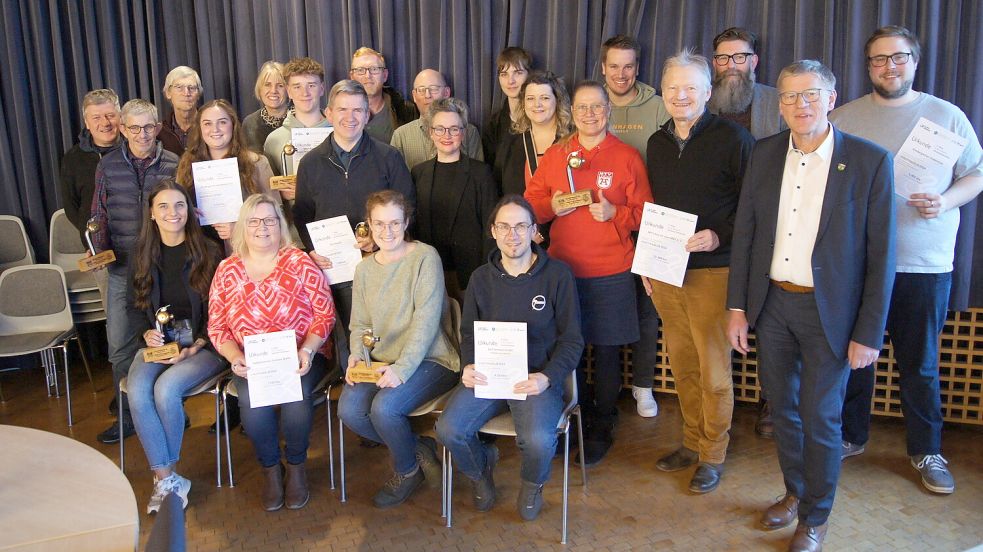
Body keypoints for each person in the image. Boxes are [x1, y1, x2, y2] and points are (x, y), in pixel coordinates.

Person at [727, 60, 895, 552]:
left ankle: (816, 516)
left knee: (821, 416)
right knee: (783, 410)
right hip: (774, 304)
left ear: (831, 98)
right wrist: (738, 308)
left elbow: (882, 258)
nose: (800, 105)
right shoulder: (763, 154)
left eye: (810, 95)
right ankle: (795, 493)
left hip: (832, 315)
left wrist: (868, 332)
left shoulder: (868, 162)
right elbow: (746, 234)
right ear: (778, 104)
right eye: (790, 96)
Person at [831, 25, 983, 495]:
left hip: (924, 263)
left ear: (914, 61)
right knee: (856, 359)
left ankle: (926, 449)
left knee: (919, 363)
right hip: (859, 266)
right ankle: (852, 436)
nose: (888, 66)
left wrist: (947, 199)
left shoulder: (946, 116)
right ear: (868, 66)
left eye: (898, 57)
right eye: (878, 59)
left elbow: (976, 173)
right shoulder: (844, 117)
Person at [524, 81, 652, 466]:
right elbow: (530, 206)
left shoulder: (628, 157)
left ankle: (602, 424)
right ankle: (569, 421)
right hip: (563, 271)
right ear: (572, 112)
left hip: (612, 269)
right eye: (582, 107)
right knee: (570, 352)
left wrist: (617, 214)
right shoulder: (557, 155)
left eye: (597, 106)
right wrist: (553, 205)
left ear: (608, 110)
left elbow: (648, 213)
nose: (590, 114)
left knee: (609, 352)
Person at [644, 50, 754, 494]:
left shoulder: (734, 139)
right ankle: (691, 441)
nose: (681, 95)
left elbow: (753, 210)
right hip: (668, 272)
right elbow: (654, 210)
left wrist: (717, 236)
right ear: (663, 93)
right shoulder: (656, 143)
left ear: (708, 92)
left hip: (714, 271)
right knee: (683, 365)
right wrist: (647, 264)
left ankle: (713, 453)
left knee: (712, 370)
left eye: (690, 87)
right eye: (672, 87)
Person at [435, 195, 583, 521]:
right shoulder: (480, 279)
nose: (512, 235)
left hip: (535, 378)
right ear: (493, 231)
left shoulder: (557, 276)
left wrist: (547, 377)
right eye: (504, 226)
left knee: (539, 440)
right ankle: (479, 471)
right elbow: (470, 333)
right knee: (448, 429)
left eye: (520, 226)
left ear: (534, 231)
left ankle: (532, 484)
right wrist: (469, 365)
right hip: (490, 375)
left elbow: (572, 340)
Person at [208, 193, 335, 512]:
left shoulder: (299, 261)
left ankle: (295, 467)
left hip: (302, 356)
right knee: (251, 404)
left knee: (296, 396)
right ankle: (270, 470)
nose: (262, 227)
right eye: (253, 221)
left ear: (280, 226)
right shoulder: (227, 270)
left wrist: (308, 348)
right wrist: (234, 356)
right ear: (242, 228)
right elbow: (217, 326)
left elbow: (324, 313)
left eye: (269, 220)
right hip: (253, 363)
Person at [337, 190, 460, 508]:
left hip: (432, 359)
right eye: (379, 224)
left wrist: (402, 369)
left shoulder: (424, 257)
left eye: (394, 223)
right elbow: (360, 323)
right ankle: (418, 449)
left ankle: (406, 471)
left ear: (406, 222)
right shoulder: (364, 268)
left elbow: (426, 322)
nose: (387, 231)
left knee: (384, 409)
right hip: (379, 361)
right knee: (349, 410)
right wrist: (356, 356)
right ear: (368, 225)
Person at [293, 79, 414, 364]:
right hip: (334, 269)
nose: (350, 117)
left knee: (384, 338)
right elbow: (302, 213)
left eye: (358, 110)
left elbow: (407, 207)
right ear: (329, 113)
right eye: (343, 110)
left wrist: (380, 239)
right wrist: (312, 249)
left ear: (367, 115)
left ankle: (381, 387)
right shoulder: (310, 163)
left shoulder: (389, 157)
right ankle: (352, 387)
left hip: (383, 263)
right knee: (346, 338)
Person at [125, 179, 224, 514]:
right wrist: (145, 335)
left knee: (166, 390)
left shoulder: (208, 251)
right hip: (159, 344)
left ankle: (164, 480)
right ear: (151, 214)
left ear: (189, 211)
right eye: (163, 206)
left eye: (179, 205)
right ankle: (167, 477)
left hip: (204, 345)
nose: (172, 213)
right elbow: (132, 307)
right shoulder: (140, 254)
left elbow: (221, 309)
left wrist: (197, 343)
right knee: (138, 391)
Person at [90, 99, 180, 444]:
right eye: (134, 127)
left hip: (161, 267)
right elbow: (98, 212)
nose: (142, 134)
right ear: (123, 129)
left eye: (148, 127)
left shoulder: (173, 162)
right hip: (121, 268)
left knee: (171, 337)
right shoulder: (107, 165)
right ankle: (128, 415)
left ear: (158, 128)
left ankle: (174, 411)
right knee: (120, 347)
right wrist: (98, 246)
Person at [599, 34, 669, 417]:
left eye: (628, 66)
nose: (621, 74)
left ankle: (643, 386)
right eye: (614, 66)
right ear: (603, 68)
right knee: (608, 307)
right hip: (603, 225)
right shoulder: (593, 105)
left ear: (637, 68)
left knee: (647, 309)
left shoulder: (658, 107)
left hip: (647, 222)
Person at [411, 97, 498, 302]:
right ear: (431, 132)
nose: (446, 135)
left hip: (470, 274)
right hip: (429, 271)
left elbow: (490, 227)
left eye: (454, 129)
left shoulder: (481, 173)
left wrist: (487, 274)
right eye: (440, 129)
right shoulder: (418, 173)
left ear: (463, 132)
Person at [176, 99, 278, 251]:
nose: (215, 129)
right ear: (200, 128)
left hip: (245, 252)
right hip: (201, 253)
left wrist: (241, 229)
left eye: (222, 122)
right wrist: (189, 213)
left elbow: (276, 213)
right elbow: (176, 206)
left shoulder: (257, 163)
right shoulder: (187, 164)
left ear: (233, 125)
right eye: (207, 123)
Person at [59, 88, 122, 306]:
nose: (105, 123)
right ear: (87, 122)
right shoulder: (73, 159)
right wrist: (95, 240)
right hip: (101, 249)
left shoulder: (134, 150)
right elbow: (71, 207)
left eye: (110, 115)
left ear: (120, 117)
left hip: (139, 244)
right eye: (96, 117)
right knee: (114, 310)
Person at [498, 71, 574, 199]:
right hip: (523, 218)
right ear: (523, 104)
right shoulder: (510, 144)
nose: (537, 104)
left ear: (558, 101)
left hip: (565, 218)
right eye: (530, 98)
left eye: (545, 98)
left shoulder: (573, 141)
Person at [390, 69, 483, 169]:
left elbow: (477, 174)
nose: (427, 95)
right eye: (421, 90)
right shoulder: (400, 136)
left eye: (434, 89)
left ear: (446, 92)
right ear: (414, 96)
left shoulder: (469, 132)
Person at [709, 27, 786, 140]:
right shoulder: (700, 102)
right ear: (715, 64)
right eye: (723, 58)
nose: (731, 65)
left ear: (753, 62)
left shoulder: (777, 101)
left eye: (740, 57)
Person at [263, 57, 331, 182]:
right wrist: (281, 193)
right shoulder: (274, 140)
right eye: (297, 87)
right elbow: (270, 188)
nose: (305, 93)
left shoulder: (339, 133)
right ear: (288, 91)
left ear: (321, 89)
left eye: (311, 85)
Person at [482, 47, 532, 180]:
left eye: (518, 72)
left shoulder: (541, 119)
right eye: (504, 74)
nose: (511, 81)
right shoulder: (493, 125)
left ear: (529, 74)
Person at [349, 47, 417, 143]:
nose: (368, 75)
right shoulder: (341, 113)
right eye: (360, 70)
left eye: (374, 69)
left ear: (384, 75)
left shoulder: (406, 111)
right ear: (352, 77)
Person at [242, 61, 289, 153]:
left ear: (288, 90)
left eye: (280, 85)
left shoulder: (298, 119)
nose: (273, 91)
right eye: (267, 85)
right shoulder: (250, 123)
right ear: (260, 89)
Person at [159, 66, 203, 155]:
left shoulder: (210, 127)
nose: (186, 93)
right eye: (179, 87)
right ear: (168, 93)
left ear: (198, 94)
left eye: (192, 87)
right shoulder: (159, 132)